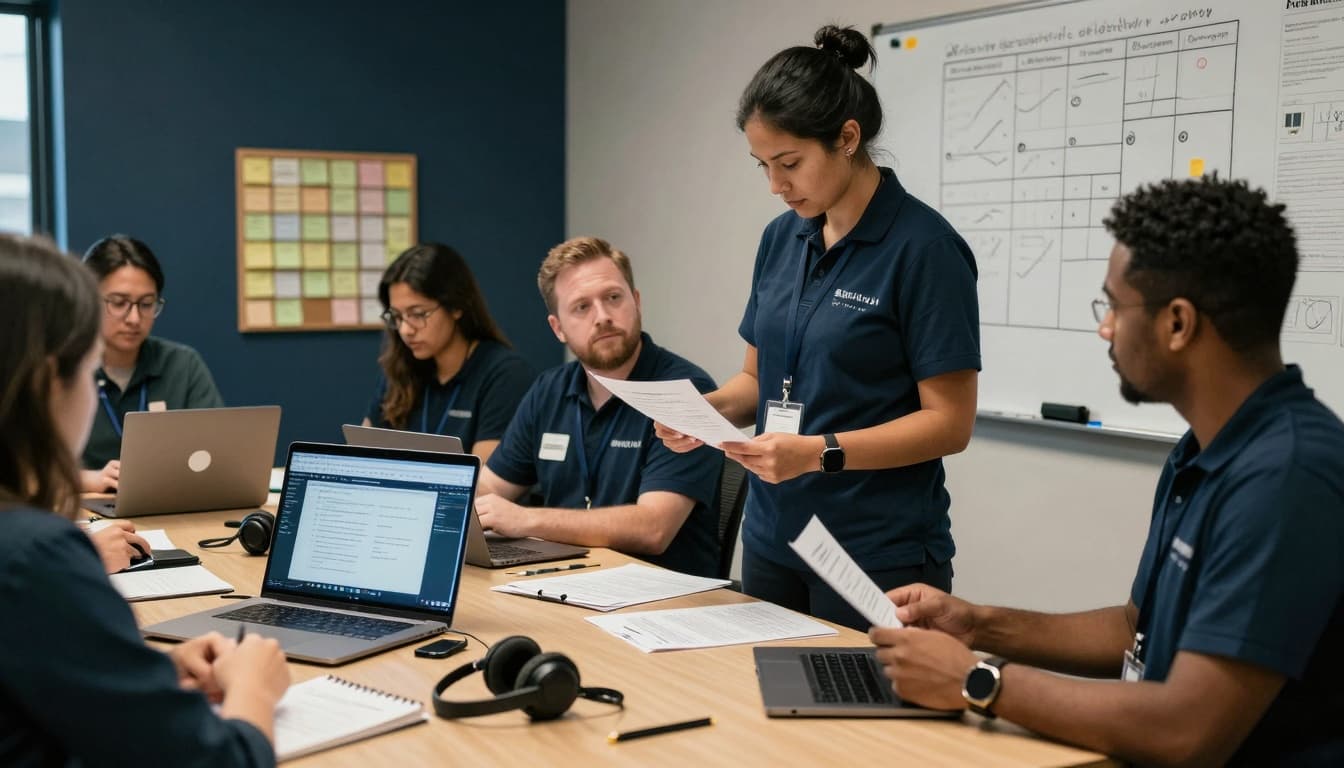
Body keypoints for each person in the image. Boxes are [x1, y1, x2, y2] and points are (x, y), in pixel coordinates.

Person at [870, 177, 1344, 765]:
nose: (1105, 328)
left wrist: (979, 680)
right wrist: (978, 625)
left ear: (1178, 323)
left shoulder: (1287, 477)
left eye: (1115, 307)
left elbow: (1186, 732)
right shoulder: (1204, 448)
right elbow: (1133, 630)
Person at [656, 25, 980, 628]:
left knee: (857, 718)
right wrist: (703, 413)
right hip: (775, 536)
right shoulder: (781, 239)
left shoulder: (925, 249)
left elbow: (949, 424)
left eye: (790, 163)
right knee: (765, 710)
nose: (776, 186)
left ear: (848, 138)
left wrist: (818, 454)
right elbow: (757, 380)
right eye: (763, 166)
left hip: (874, 550)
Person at [0, 234, 290, 765]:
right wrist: (255, 688)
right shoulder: (35, 556)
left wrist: (142, 677)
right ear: (48, 385)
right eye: (89, 370)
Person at [475, 236, 721, 577]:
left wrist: (527, 519)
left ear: (636, 302)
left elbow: (654, 528)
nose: (603, 316)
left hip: (659, 597)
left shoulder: (683, 391)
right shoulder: (549, 390)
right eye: (582, 307)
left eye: (613, 298)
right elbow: (492, 489)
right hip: (564, 580)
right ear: (558, 328)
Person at [364, 243, 534, 462]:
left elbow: (482, 482)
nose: (406, 330)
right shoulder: (400, 368)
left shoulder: (505, 376)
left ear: (455, 307)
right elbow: (363, 453)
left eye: (418, 314)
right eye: (396, 316)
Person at [80, 235, 224, 492]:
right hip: (86, 512)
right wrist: (88, 479)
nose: (134, 318)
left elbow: (219, 454)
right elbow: (26, 470)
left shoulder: (182, 364)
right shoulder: (61, 368)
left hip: (169, 503)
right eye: (119, 303)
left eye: (146, 304)